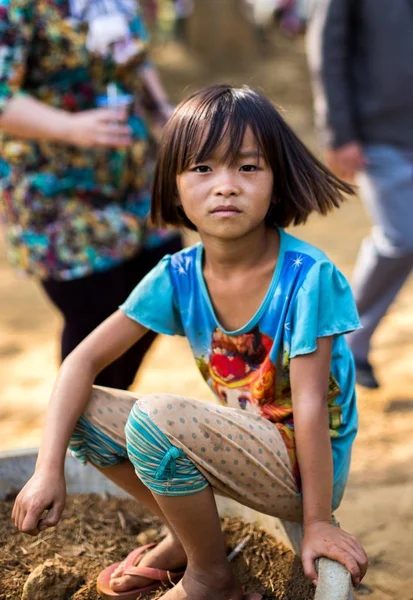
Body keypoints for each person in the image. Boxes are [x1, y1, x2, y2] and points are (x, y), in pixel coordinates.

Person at [12, 85, 368, 600]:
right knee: (81, 409)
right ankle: (186, 537)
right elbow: (82, 359)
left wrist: (317, 522)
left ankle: (209, 577)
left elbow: (310, 405)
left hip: (301, 468)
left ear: (277, 181)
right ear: (174, 186)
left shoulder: (308, 277)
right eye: (202, 168)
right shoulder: (177, 274)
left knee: (155, 417)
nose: (225, 186)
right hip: (237, 444)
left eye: (248, 167)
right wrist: (47, 471)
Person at [0, 0, 182, 390]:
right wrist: (69, 127)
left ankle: (105, 412)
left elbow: (133, 58)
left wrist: (162, 109)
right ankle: (81, 433)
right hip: (54, 188)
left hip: (132, 176)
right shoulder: (15, 7)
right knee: (95, 313)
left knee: (164, 284)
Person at [307, 0, 413, 388]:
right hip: (378, 134)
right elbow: (327, 48)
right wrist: (338, 130)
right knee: (401, 237)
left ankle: (352, 346)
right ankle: (341, 341)